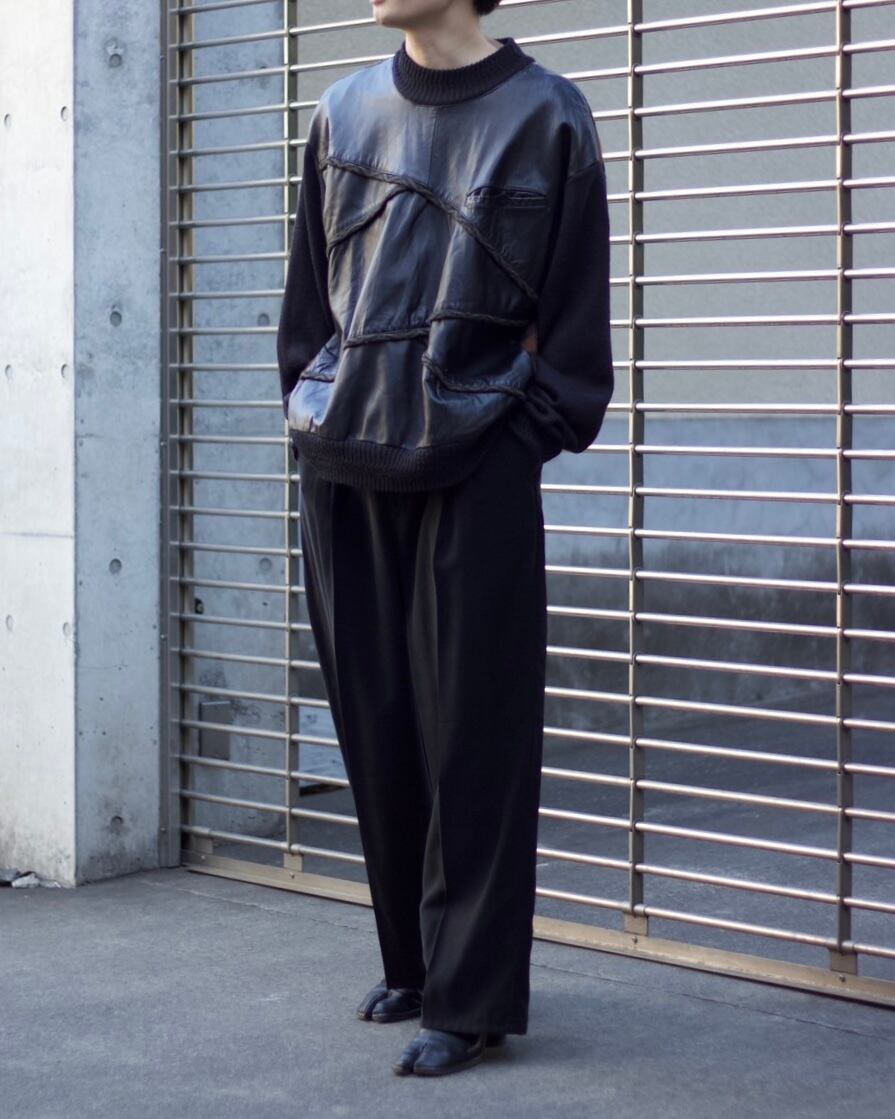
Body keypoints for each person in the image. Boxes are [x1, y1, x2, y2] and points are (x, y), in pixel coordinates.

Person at [276, 0, 613, 1077]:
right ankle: (415, 965)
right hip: (344, 461)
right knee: (375, 728)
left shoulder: (547, 115)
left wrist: (522, 435)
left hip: (477, 464)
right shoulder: (342, 111)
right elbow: (308, 302)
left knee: (477, 738)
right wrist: (309, 407)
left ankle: (471, 1000)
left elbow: (575, 325)